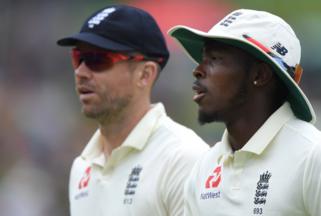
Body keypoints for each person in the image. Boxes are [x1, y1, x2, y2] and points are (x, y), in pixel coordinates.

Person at [168, 9, 321, 215]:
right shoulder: (205, 166)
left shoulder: (320, 157)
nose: (198, 70)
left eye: (215, 59)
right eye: (202, 59)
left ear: (260, 75)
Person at [57, 5, 208, 216]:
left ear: (145, 74)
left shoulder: (183, 159)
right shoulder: (82, 167)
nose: (81, 72)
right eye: (78, 58)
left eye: (97, 59)